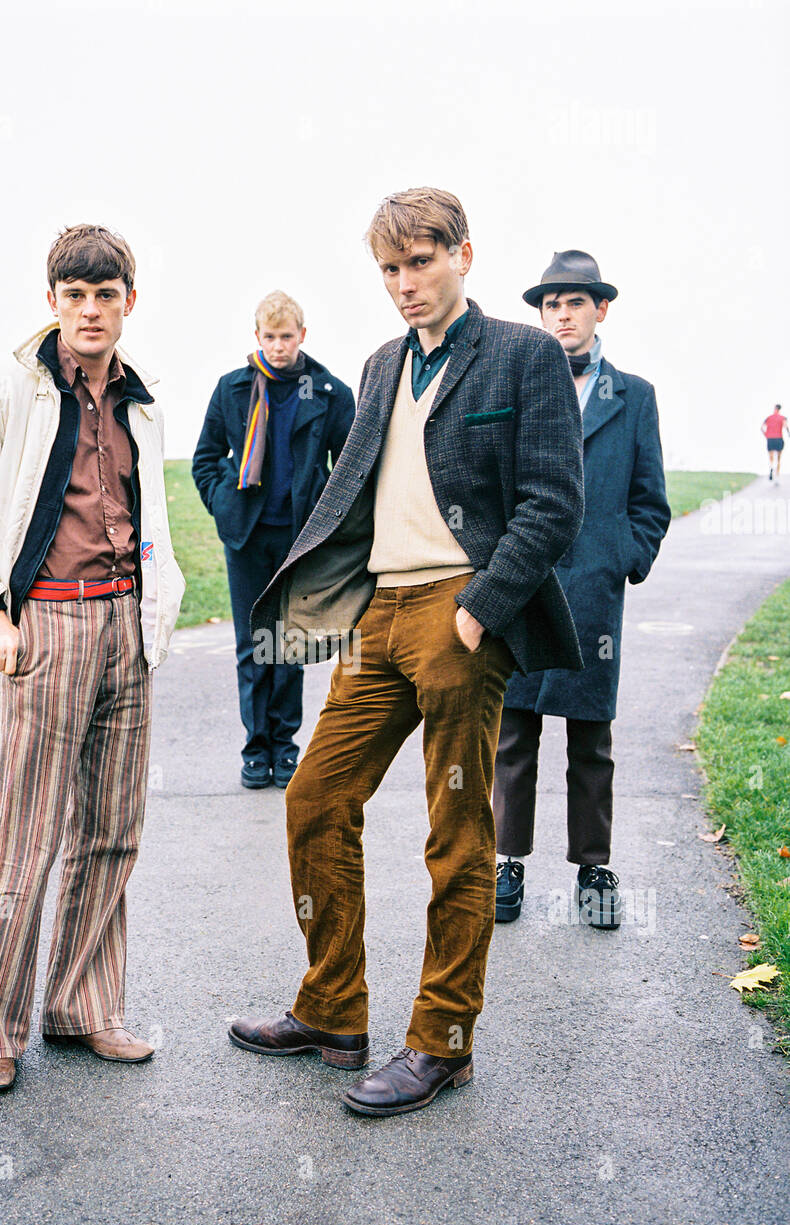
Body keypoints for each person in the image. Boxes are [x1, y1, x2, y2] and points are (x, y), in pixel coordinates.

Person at [228, 188, 585, 1117]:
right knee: (315, 797)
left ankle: (442, 1041)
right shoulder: (383, 361)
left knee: (456, 833)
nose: (404, 284)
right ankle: (334, 1009)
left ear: (465, 254)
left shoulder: (524, 354)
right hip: (380, 614)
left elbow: (553, 501)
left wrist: (478, 612)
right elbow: (353, 490)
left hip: (458, 609)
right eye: (389, 269)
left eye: (421, 262)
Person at [0, 224, 185, 1093]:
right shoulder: (8, 387)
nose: (90, 310)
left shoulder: (141, 401)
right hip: (48, 626)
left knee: (112, 831)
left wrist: (159, 609)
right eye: (74, 295)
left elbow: (152, 524)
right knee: (27, 834)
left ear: (128, 303)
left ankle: (83, 1008)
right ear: (52, 303)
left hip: (128, 629)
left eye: (106, 294)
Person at [493, 250, 671, 930]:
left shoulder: (635, 396)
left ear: (601, 309)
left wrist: (624, 554)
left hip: (594, 591)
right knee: (514, 731)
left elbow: (650, 499)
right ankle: (507, 861)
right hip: (525, 584)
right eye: (550, 304)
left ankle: (593, 866)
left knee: (591, 739)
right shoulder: (518, 386)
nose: (562, 314)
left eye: (575, 302)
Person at [192, 292, 354, 789]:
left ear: (302, 335)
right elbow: (205, 458)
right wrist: (223, 503)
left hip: (302, 538)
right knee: (252, 643)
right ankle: (255, 748)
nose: (279, 346)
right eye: (270, 337)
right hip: (246, 535)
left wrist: (330, 525)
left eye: (287, 337)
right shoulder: (233, 389)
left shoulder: (328, 391)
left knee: (290, 643)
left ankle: (285, 748)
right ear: (256, 337)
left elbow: (349, 471)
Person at [762, 404, 788, 482]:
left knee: (771, 457)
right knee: (778, 458)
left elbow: (762, 428)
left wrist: (766, 435)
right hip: (778, 438)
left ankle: (771, 468)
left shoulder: (768, 418)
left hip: (770, 439)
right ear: (779, 409)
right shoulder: (783, 418)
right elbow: (785, 426)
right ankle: (777, 476)